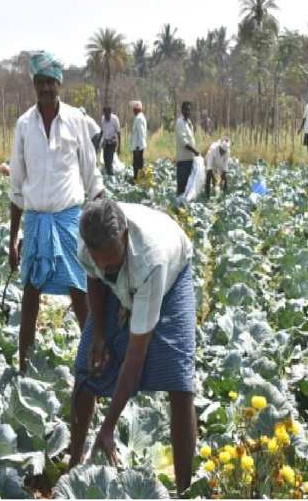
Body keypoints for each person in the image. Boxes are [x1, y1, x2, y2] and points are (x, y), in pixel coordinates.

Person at [70, 199, 196, 495]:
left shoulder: (151, 260)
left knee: (178, 381)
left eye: (113, 262)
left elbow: (135, 357)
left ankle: (185, 489)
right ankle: (73, 466)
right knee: (86, 367)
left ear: (125, 235)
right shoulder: (87, 243)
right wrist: (100, 332)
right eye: (103, 263)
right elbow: (95, 277)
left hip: (172, 272)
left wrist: (109, 426)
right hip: (121, 281)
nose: (108, 268)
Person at [9, 50, 104, 374]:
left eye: (51, 82)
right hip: (36, 221)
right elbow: (17, 185)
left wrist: (103, 227)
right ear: (34, 85)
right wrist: (13, 238)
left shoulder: (76, 120)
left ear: (59, 84)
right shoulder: (24, 125)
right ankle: (23, 364)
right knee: (30, 295)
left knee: (80, 293)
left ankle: (95, 359)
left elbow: (92, 177)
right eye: (40, 82)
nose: (46, 88)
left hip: (69, 220)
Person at [175, 101, 200, 196]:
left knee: (189, 186)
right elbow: (183, 142)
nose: (188, 112)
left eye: (189, 110)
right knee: (182, 185)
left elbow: (191, 140)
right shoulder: (180, 122)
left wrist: (195, 152)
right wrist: (194, 150)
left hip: (190, 159)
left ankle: (184, 206)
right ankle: (177, 207)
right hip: (183, 160)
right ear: (182, 110)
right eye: (186, 110)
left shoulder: (189, 123)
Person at [129, 101, 147, 182]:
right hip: (138, 146)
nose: (133, 111)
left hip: (138, 146)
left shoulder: (139, 118)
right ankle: (138, 179)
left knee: (137, 165)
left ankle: (137, 180)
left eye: (134, 109)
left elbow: (141, 133)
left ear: (137, 110)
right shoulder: (139, 117)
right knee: (138, 164)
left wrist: (138, 147)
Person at [100, 107, 121, 176]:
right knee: (105, 162)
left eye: (107, 115)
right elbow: (102, 131)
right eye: (105, 115)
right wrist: (99, 141)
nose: (106, 117)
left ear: (110, 113)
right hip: (105, 143)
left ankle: (112, 178)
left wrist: (119, 147)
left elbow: (118, 133)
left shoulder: (114, 119)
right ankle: (108, 178)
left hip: (112, 143)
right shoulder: (103, 119)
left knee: (109, 162)